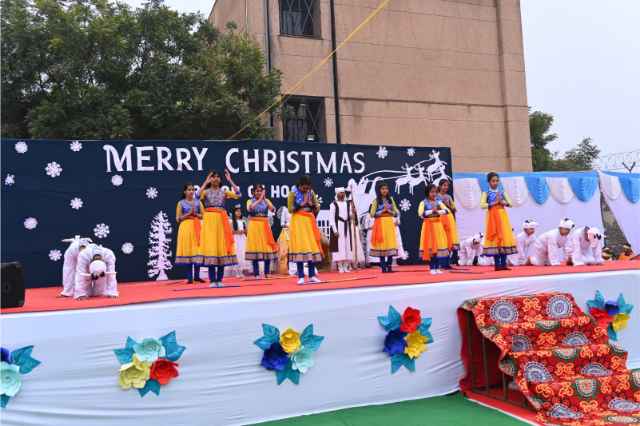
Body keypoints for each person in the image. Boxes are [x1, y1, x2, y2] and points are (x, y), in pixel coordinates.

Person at [199, 170, 241, 287]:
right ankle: (212, 280)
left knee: (221, 248)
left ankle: (220, 279)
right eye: (213, 177)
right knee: (211, 248)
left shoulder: (224, 192)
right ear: (210, 179)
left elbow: (238, 195)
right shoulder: (205, 192)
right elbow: (197, 196)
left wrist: (230, 180)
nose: (216, 178)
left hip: (221, 221)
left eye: (218, 177)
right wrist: (205, 182)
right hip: (210, 222)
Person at [287, 175, 323, 284]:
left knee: (311, 247)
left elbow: (316, 206)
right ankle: (301, 276)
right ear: (299, 185)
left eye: (307, 188)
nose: (305, 190)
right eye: (304, 188)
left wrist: (314, 206)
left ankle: (312, 276)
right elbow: (290, 209)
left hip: (309, 221)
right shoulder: (293, 193)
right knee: (300, 248)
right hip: (298, 221)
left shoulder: (311, 193)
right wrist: (301, 204)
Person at [480, 172, 517, 271]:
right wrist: (494, 203)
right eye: (493, 181)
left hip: (502, 216)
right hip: (492, 216)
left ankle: (504, 264)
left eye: (497, 181)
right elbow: (482, 205)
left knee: (504, 237)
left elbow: (510, 204)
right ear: (488, 182)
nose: (495, 183)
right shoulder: (486, 192)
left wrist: (503, 202)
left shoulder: (502, 192)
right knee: (495, 238)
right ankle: (497, 264)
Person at [246, 184, 278, 279]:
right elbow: (250, 208)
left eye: (260, 191)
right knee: (255, 248)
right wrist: (259, 200)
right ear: (253, 192)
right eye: (257, 191)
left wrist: (265, 201)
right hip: (254, 226)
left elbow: (273, 210)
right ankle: (256, 273)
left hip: (264, 226)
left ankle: (267, 272)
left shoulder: (266, 201)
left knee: (267, 248)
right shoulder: (250, 201)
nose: (259, 193)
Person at [175, 183, 205, 283]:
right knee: (188, 251)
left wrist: (195, 214)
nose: (191, 191)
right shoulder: (181, 203)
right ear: (185, 192)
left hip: (197, 226)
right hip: (186, 227)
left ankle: (197, 276)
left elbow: (204, 215)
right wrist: (188, 214)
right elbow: (178, 219)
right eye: (189, 190)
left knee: (197, 251)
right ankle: (189, 277)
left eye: (192, 189)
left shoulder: (198, 202)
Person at [418, 184, 450, 275]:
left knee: (438, 247)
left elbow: (447, 211)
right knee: (431, 248)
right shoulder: (423, 203)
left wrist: (438, 212)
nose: (434, 194)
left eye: (435, 192)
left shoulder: (438, 202)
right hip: (428, 227)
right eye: (432, 192)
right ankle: (432, 267)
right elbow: (421, 214)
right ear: (427, 192)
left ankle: (437, 267)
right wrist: (432, 211)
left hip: (438, 226)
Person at [369, 182, 400, 273]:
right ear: (379, 190)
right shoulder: (376, 201)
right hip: (380, 224)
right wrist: (382, 211)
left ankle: (389, 267)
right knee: (382, 245)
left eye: (386, 189)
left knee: (390, 244)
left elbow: (396, 212)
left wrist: (390, 211)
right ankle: (383, 267)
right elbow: (372, 214)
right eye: (382, 189)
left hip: (389, 224)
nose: (384, 190)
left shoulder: (391, 200)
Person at [330, 188, 356, 273]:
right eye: (340, 193)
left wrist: (352, 214)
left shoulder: (348, 203)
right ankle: (340, 265)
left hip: (347, 226)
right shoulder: (333, 204)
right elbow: (331, 218)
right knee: (339, 246)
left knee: (347, 245)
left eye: (343, 193)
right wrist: (335, 230)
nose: (342, 194)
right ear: (337, 194)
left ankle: (346, 265)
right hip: (338, 226)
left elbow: (350, 214)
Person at [437, 179, 459, 267]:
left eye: (447, 185)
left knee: (449, 239)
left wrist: (449, 206)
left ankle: (447, 262)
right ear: (440, 186)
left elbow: (454, 209)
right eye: (444, 185)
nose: (446, 187)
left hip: (449, 219)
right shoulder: (436, 196)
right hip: (440, 219)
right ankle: (440, 262)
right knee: (441, 240)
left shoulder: (448, 197)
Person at [229, 204, 249, 278]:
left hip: (242, 239)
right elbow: (231, 231)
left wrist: (244, 231)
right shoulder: (232, 222)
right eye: (237, 211)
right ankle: (237, 271)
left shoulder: (243, 221)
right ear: (234, 213)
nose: (238, 213)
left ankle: (242, 270)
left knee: (242, 253)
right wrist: (238, 232)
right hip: (236, 239)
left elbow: (246, 231)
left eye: (240, 211)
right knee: (237, 253)